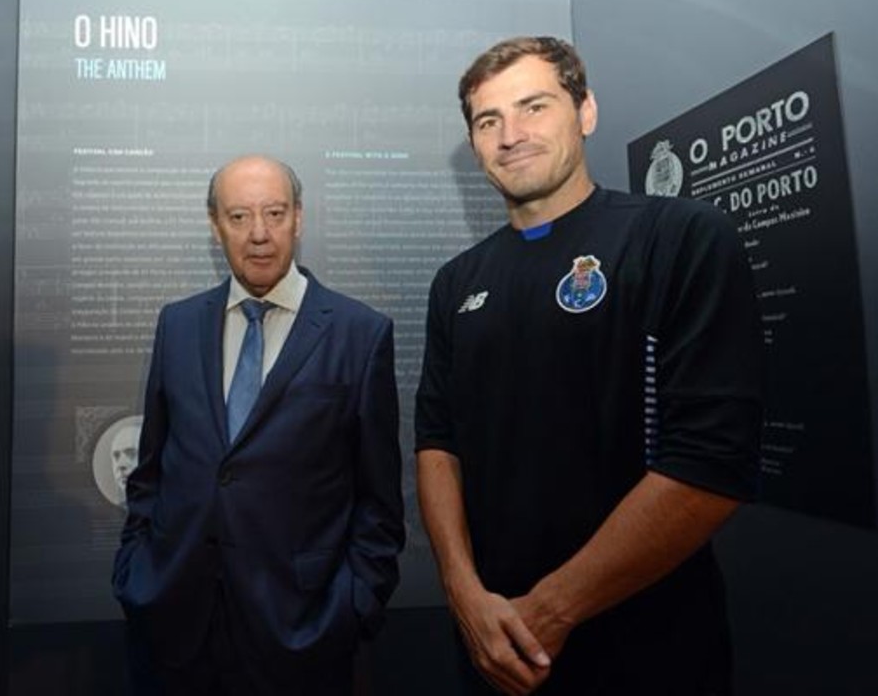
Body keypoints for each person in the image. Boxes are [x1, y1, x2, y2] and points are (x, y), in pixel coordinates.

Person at [415, 37, 764, 695]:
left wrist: (551, 611)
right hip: (493, 644)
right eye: (488, 121)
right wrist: (463, 595)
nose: (511, 135)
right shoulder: (457, 282)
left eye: (534, 106)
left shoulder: (680, 238)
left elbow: (711, 464)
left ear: (586, 111)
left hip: (648, 651)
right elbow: (438, 443)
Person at [113, 155, 405, 695]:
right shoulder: (178, 324)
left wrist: (353, 605)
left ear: (299, 217)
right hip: (175, 626)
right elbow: (152, 468)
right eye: (239, 216)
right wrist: (137, 573)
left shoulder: (360, 334)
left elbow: (379, 501)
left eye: (274, 213)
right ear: (215, 225)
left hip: (302, 634)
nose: (259, 234)